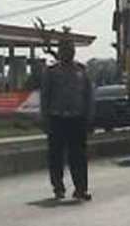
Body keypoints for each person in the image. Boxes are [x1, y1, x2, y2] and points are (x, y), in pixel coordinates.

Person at [40, 39, 94, 200]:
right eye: (64, 49)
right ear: (60, 51)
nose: (68, 53)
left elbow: (89, 96)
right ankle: (58, 187)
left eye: (70, 50)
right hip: (57, 119)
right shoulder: (51, 72)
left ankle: (81, 188)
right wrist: (45, 119)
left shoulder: (82, 70)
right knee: (55, 156)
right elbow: (45, 97)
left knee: (79, 156)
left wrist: (90, 118)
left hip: (77, 119)